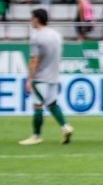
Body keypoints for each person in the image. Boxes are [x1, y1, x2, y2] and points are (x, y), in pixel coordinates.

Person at [19, 9, 71, 146]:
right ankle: (65, 127)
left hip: (40, 77)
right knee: (52, 103)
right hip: (54, 75)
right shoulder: (56, 35)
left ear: (37, 19)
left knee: (38, 106)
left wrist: (29, 79)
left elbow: (34, 60)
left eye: (32, 18)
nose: (30, 21)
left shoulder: (36, 37)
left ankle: (36, 135)